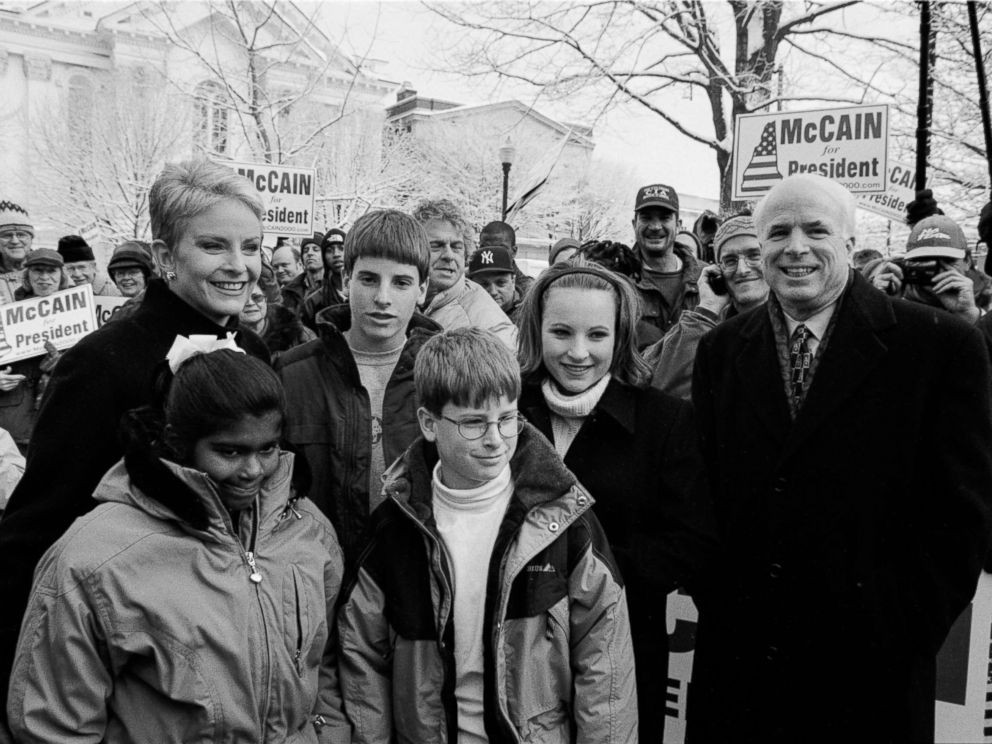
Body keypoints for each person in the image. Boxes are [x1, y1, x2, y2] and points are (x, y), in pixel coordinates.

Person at [689, 174, 992, 744]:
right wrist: (726, 605)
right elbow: (703, 492)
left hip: (871, 672)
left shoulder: (940, 346)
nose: (795, 246)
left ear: (850, 245)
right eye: (777, 232)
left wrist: (903, 631)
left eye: (815, 229)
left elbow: (962, 514)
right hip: (744, 663)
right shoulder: (721, 350)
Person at [0, 159, 270, 726]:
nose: (239, 266)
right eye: (215, 246)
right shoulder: (100, 363)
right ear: (166, 257)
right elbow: (38, 530)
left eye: (251, 246)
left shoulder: (254, 351)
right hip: (129, 663)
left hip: (235, 648)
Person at [6, 346, 348, 743]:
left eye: (267, 448)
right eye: (229, 451)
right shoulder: (93, 561)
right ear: (178, 441)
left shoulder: (308, 529)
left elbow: (323, 665)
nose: (253, 470)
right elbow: (53, 727)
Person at [336, 327, 638, 743]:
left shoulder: (563, 518)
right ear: (428, 422)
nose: (496, 439)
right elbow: (362, 658)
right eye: (474, 424)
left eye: (507, 418)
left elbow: (605, 664)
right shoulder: (394, 528)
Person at [515, 261, 712, 741]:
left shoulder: (665, 422)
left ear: (620, 338)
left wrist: (587, 574)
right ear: (537, 332)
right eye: (561, 332)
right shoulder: (506, 409)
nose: (578, 352)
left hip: (624, 642)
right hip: (516, 642)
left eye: (597, 335)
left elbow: (690, 541)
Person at [278, 209, 441, 567]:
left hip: (417, 581)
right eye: (369, 279)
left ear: (422, 289)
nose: (383, 297)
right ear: (346, 279)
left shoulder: (445, 375)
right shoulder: (293, 374)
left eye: (400, 283)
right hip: (318, 575)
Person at [645, 214, 770, 400]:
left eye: (754, 256)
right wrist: (707, 310)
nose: (742, 269)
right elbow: (659, 387)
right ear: (717, 271)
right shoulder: (704, 324)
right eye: (730, 261)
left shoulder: (796, 322)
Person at [412, 198, 517, 350]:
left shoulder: (490, 328)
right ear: (413, 249)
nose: (449, 255)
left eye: (456, 247)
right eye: (436, 246)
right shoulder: (403, 295)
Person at [0, 249, 70, 453]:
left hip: (58, 420)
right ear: (28, 277)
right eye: (38, 271)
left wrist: (65, 362)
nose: (45, 278)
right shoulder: (7, 316)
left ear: (61, 276)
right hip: (13, 424)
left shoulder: (79, 314)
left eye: (51, 271)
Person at [869, 215, 985, 325]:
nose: (936, 269)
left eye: (948, 260)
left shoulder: (988, 302)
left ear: (967, 261)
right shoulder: (897, 301)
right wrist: (881, 308)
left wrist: (969, 316)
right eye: (925, 260)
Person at [630, 183, 703, 348]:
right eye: (646, 218)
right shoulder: (619, 279)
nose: (655, 227)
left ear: (678, 225)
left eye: (664, 218)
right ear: (634, 224)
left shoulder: (704, 277)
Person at [240, 275, 315, 363]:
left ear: (265, 300)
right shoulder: (228, 342)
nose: (250, 303)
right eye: (243, 299)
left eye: (257, 298)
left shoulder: (298, 333)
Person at [299, 228, 348, 332]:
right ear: (324, 257)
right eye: (329, 250)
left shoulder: (365, 292)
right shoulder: (313, 302)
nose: (336, 254)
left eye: (341, 248)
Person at [478, 220, 534, 296]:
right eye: (487, 248)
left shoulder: (529, 290)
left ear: (514, 251)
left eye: (500, 249)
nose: (494, 254)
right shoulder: (469, 281)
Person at [465, 244, 520, 321]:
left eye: (500, 283)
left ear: (513, 281)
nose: (493, 292)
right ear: (471, 285)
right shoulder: (461, 315)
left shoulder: (531, 312)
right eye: (484, 285)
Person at [57, 235, 121, 297]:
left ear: (94, 266)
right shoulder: (60, 292)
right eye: (70, 268)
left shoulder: (113, 292)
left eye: (82, 267)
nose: (77, 274)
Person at [281, 232, 324, 316]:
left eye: (315, 249)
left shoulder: (336, 288)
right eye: (305, 251)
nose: (310, 253)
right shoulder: (288, 291)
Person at [0, 202, 34, 303]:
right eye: (7, 235)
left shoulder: (49, 270)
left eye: (21, 235)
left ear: (31, 239)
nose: (15, 241)